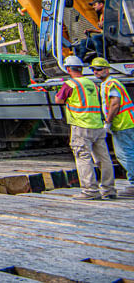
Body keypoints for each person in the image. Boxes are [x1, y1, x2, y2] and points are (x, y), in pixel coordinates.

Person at [54, 55, 115, 199]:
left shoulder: (70, 84)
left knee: (83, 157)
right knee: (104, 158)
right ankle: (109, 189)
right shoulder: (92, 83)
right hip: (97, 124)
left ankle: (90, 191)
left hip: (81, 125)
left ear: (68, 69)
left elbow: (58, 100)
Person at [91, 57, 134, 197]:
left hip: (123, 123)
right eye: (94, 70)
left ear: (107, 69)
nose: (96, 72)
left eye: (99, 69)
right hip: (127, 121)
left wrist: (108, 122)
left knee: (125, 154)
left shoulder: (111, 84)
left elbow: (115, 103)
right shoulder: (108, 84)